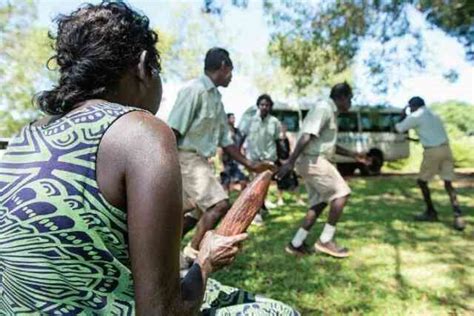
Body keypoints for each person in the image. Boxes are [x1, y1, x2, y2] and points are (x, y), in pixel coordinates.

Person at [0, 2, 298, 314]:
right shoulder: (142, 132)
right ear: (143, 66)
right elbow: (160, 312)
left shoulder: (26, 136)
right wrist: (206, 262)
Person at [167, 48, 274, 265]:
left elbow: (226, 141)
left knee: (195, 212)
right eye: (231, 71)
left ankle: (165, 252)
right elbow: (173, 130)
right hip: (186, 158)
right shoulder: (194, 90)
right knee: (219, 205)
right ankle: (191, 255)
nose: (232, 77)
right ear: (223, 66)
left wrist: (251, 166)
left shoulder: (216, 98)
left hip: (201, 161)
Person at [277, 82, 366, 258]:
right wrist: (289, 162)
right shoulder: (324, 108)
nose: (350, 103)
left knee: (318, 204)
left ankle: (296, 243)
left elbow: (328, 144)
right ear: (341, 97)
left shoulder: (330, 112)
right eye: (350, 99)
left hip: (313, 159)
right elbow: (307, 135)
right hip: (313, 160)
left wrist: (354, 155)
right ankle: (325, 240)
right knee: (341, 194)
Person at [395, 96, 466, 231]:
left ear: (412, 106)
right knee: (448, 183)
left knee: (422, 182)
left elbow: (399, 128)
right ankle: (458, 215)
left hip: (432, 151)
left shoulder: (415, 116)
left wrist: (403, 114)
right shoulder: (435, 115)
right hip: (446, 149)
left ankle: (431, 212)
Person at [241, 94, 281, 223]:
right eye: (262, 104)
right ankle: (255, 213)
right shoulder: (250, 120)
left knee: (264, 187)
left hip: (269, 159)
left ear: (270, 107)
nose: (264, 107)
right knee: (255, 187)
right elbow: (241, 135)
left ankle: (261, 207)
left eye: (267, 105)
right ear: (258, 105)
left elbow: (277, 140)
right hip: (254, 160)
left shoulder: (274, 122)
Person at [276, 123, 305, 206]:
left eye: (284, 127)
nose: (283, 129)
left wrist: (290, 161)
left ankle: (298, 199)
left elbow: (292, 149)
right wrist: (280, 160)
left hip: (289, 162)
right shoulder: (276, 138)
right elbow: (275, 150)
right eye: (282, 127)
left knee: (294, 181)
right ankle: (280, 200)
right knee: (280, 181)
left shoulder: (289, 137)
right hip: (280, 162)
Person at [220, 113, 248, 193]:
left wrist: (244, 160)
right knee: (226, 183)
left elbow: (241, 146)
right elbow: (220, 148)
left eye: (234, 117)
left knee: (243, 180)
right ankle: (227, 201)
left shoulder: (238, 132)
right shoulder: (224, 133)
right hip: (226, 161)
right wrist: (220, 164)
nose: (233, 119)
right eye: (231, 118)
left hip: (237, 161)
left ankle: (241, 201)